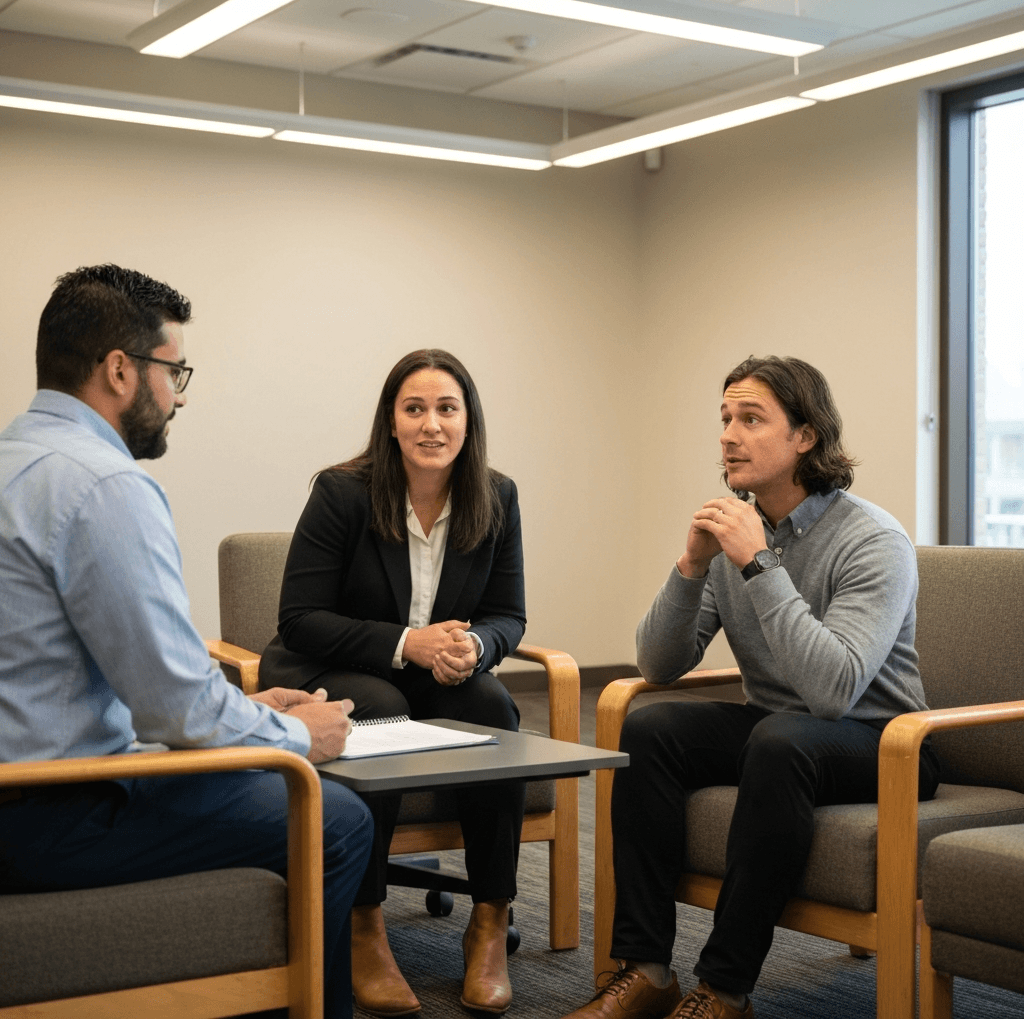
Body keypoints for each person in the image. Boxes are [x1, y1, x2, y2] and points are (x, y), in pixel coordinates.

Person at [0, 264, 374, 1019]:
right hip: (48, 817)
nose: (179, 396)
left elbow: (79, 672)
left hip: (23, 786)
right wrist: (291, 732)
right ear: (118, 370)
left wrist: (241, 705)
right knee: (336, 820)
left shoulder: (15, 462)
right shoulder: (103, 485)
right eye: (175, 371)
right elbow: (177, 710)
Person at [562, 356, 941, 1019]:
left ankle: (724, 990)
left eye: (751, 419)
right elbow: (657, 663)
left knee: (781, 738)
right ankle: (646, 969)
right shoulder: (737, 533)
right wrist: (690, 566)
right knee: (647, 725)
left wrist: (759, 565)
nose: (728, 436)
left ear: (806, 437)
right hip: (777, 729)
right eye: (725, 419)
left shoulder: (872, 540)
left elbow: (834, 691)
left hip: (884, 743)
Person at [258, 348, 527, 1017]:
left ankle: (490, 920)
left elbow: (507, 614)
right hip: (326, 663)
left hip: (429, 672)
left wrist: (476, 644)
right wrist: (410, 642)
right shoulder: (342, 492)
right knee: (378, 705)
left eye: (446, 408)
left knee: (491, 704)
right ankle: (364, 923)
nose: (431, 424)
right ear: (392, 421)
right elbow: (300, 618)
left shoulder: (496, 496)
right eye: (415, 409)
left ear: (468, 422)